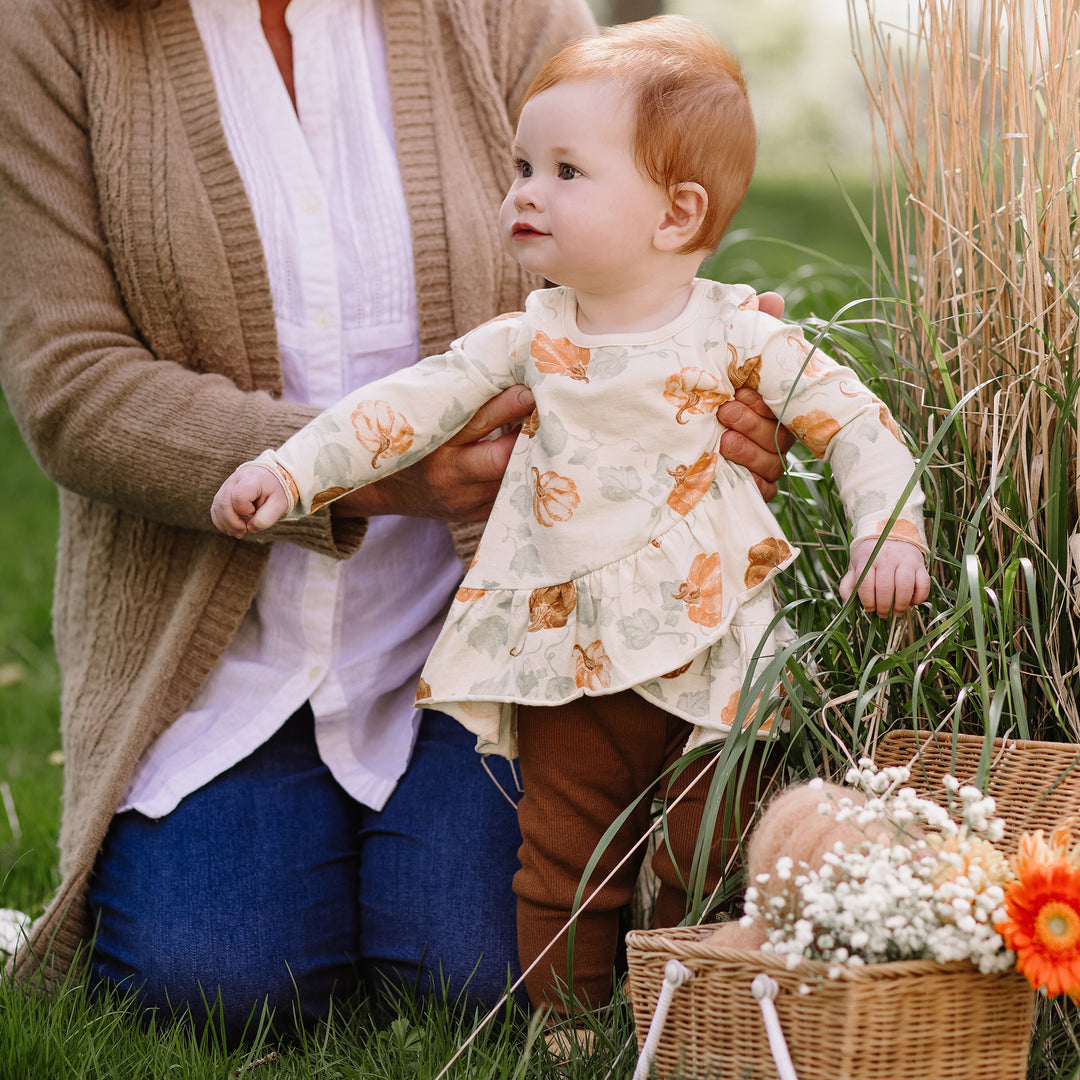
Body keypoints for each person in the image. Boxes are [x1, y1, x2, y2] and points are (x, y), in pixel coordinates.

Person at [0, 0, 789, 1040]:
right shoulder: (45, 28)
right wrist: (373, 478)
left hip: (498, 642)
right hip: (223, 650)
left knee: (485, 972)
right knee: (218, 982)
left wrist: (715, 400)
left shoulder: (504, 13)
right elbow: (74, 383)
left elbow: (638, 239)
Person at [211, 15, 932, 1021]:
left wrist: (888, 531)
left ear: (677, 214)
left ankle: (686, 1013)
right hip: (569, 650)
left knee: (702, 850)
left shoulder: (739, 336)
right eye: (520, 165)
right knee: (562, 858)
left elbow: (857, 423)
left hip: (715, 650)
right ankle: (569, 1028)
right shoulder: (529, 337)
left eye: (564, 171)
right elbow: (400, 409)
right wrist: (292, 475)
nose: (523, 192)